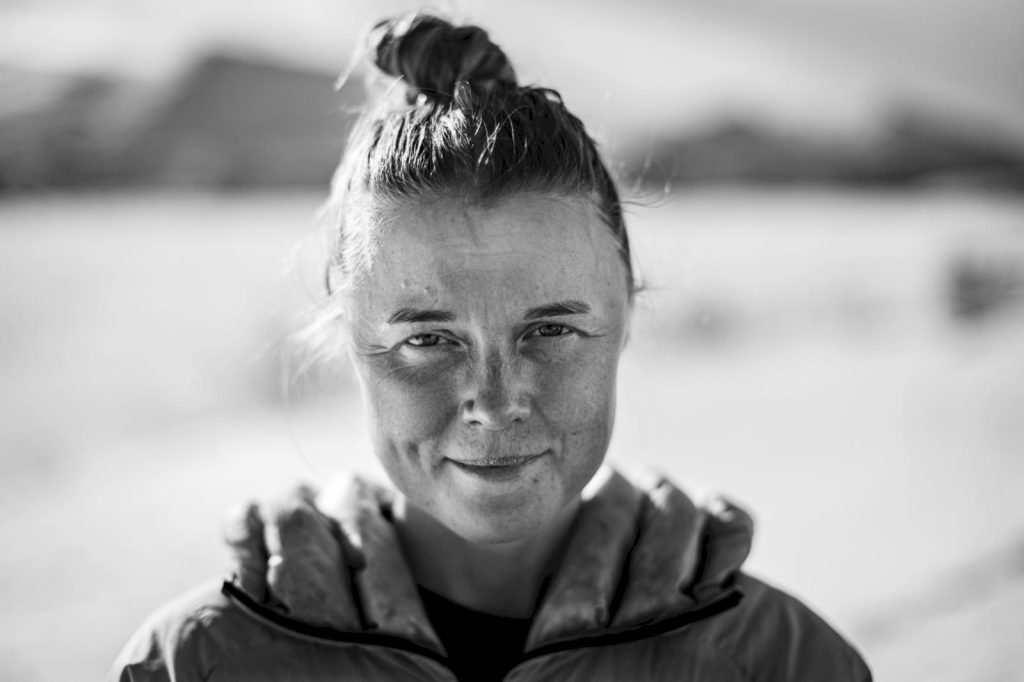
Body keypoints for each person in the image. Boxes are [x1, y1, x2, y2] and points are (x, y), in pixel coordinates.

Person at [111, 12, 871, 682]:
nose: (495, 402)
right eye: (427, 338)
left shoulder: (779, 663)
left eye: (550, 330)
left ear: (627, 315)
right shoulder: (198, 665)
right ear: (347, 334)